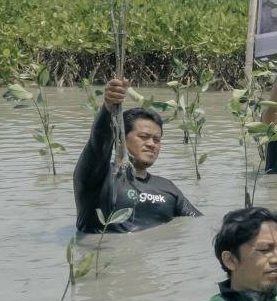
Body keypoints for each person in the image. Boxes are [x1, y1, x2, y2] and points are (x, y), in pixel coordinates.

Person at [73, 78, 201, 233]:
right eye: (144, 137)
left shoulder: (168, 188)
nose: (152, 144)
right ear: (120, 138)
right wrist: (108, 107)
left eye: (156, 139)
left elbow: (199, 222)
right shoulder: (98, 177)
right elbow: (98, 142)